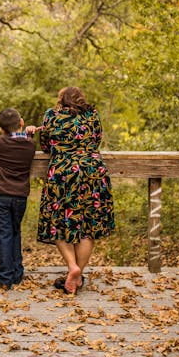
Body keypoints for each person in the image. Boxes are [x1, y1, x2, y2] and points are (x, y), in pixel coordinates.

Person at [36, 86, 114, 294]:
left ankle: (73, 267)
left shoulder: (52, 115)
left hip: (63, 172)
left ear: (61, 100)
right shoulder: (92, 115)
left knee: (59, 221)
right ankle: (78, 275)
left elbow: (45, 144)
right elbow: (96, 140)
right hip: (92, 171)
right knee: (87, 226)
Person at [0, 107, 37, 290]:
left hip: (0, 195)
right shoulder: (30, 144)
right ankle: (17, 272)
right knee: (15, 231)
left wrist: (3, 135)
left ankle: (5, 277)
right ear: (21, 123)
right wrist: (29, 133)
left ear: (1, 129)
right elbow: (27, 140)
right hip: (20, 196)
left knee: (3, 234)